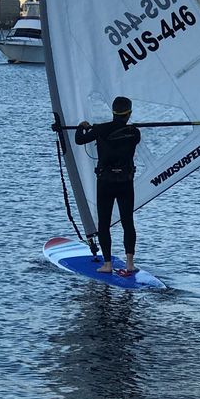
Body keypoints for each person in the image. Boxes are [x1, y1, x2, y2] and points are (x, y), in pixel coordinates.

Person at [75, 96, 141, 275]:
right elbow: (123, 136)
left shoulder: (100, 129)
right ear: (129, 114)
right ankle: (129, 263)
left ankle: (107, 264)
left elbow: (79, 140)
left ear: (113, 112)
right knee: (128, 222)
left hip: (105, 182)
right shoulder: (135, 133)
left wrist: (82, 127)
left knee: (103, 223)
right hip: (125, 183)